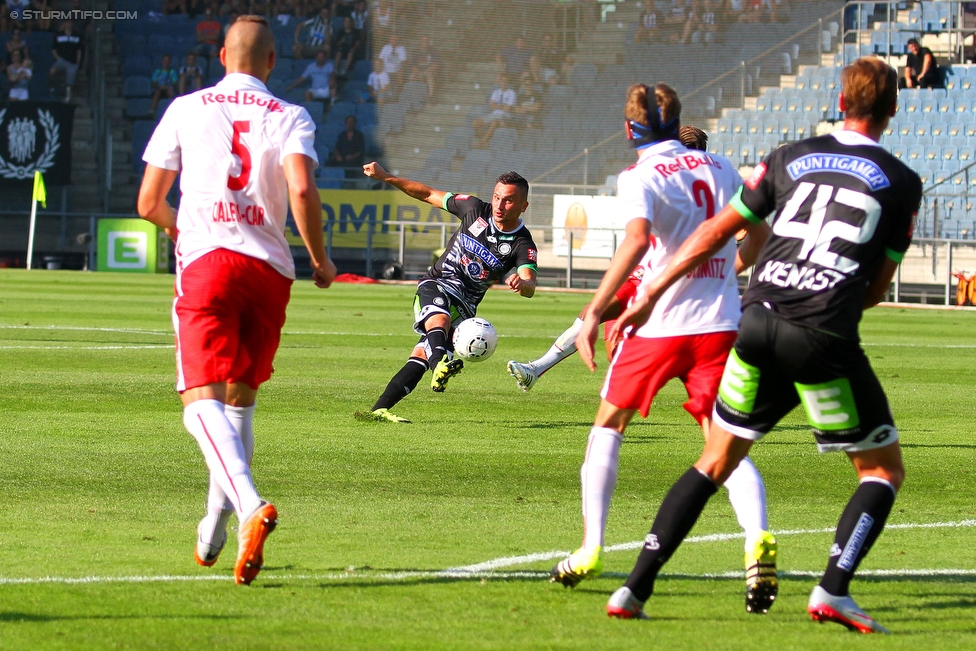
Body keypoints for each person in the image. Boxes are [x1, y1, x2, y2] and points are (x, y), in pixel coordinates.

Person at [603, 58, 920, 634]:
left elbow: (712, 235)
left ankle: (633, 587)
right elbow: (875, 290)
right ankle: (833, 589)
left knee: (715, 459)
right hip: (821, 337)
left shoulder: (788, 157)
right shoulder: (901, 181)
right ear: (893, 110)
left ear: (839, 101)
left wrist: (649, 293)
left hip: (756, 322)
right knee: (881, 472)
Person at [546, 86, 776, 618]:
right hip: (720, 324)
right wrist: (727, 272)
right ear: (678, 123)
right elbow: (758, 234)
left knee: (608, 425)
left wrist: (594, 313)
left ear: (630, 131)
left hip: (658, 326)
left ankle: (591, 548)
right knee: (725, 442)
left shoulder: (639, 176)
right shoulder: (721, 167)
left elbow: (636, 240)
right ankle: (757, 536)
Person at [136, 14, 338, 586]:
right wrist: (320, 261)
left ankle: (249, 505)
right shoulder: (291, 115)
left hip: (208, 263)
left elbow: (149, 202)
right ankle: (213, 524)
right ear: (273, 62)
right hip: (270, 271)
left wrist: (185, 231)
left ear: (222, 56)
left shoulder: (186, 108)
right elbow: (301, 188)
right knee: (239, 404)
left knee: (199, 401)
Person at [507, 125, 711, 391]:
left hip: (658, 276)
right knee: (616, 355)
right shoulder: (683, 184)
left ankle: (536, 369)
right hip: (644, 269)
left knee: (594, 312)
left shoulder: (691, 189)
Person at [362, 163, 539, 423]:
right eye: (497, 197)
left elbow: (530, 283)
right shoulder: (474, 208)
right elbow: (426, 194)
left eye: (509, 201)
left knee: (421, 353)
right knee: (440, 320)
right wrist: (386, 176)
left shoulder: (523, 243)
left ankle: (380, 408)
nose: (500, 205)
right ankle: (440, 365)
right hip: (437, 282)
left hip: (466, 308)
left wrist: (522, 284)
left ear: (523, 206)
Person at [472, 75, 516, 148]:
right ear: (500, 82)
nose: (504, 83)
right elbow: (491, 106)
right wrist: (502, 106)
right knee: (475, 123)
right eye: (502, 81)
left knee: (495, 121)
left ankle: (482, 142)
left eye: (506, 81)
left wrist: (497, 106)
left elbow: (508, 108)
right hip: (494, 114)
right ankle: (487, 140)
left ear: (508, 82)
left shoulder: (512, 93)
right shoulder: (496, 92)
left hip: (506, 116)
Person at [50, 20, 83, 102]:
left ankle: (68, 97)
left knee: (70, 82)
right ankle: (52, 88)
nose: (69, 25)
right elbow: (54, 49)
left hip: (72, 62)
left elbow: (79, 50)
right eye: (67, 23)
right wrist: (58, 58)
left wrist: (78, 62)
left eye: (70, 23)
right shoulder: (59, 35)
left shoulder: (77, 36)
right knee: (52, 71)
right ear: (64, 24)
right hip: (62, 60)